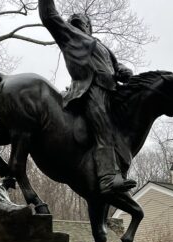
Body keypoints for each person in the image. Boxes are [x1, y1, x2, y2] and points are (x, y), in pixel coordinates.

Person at [39, 0, 136, 195]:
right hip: (90, 90)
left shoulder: (101, 46)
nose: (78, 22)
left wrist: (124, 71)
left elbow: (117, 66)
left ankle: (120, 169)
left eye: (82, 21)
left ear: (89, 27)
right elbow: (49, 16)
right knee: (104, 128)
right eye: (75, 21)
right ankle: (107, 178)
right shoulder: (69, 36)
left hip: (114, 93)